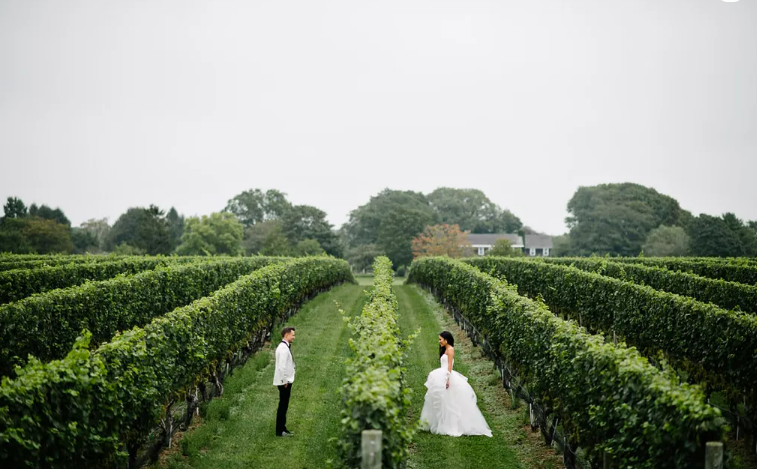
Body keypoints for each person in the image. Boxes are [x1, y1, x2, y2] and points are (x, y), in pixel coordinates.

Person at [419, 331, 492, 437]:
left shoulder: (450, 350)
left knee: (450, 402)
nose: (439, 341)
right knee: (440, 399)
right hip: (442, 373)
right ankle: (440, 422)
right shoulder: (444, 350)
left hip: (447, 375)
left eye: (440, 339)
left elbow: (449, 366)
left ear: (446, 340)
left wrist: (447, 379)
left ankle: (451, 424)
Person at [273, 326, 296, 437]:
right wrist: (285, 380)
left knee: (284, 405)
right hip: (284, 382)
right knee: (283, 405)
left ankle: (283, 428)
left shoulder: (284, 347)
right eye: (292, 335)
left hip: (285, 381)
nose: (294, 337)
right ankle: (280, 430)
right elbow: (281, 366)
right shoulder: (283, 348)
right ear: (286, 335)